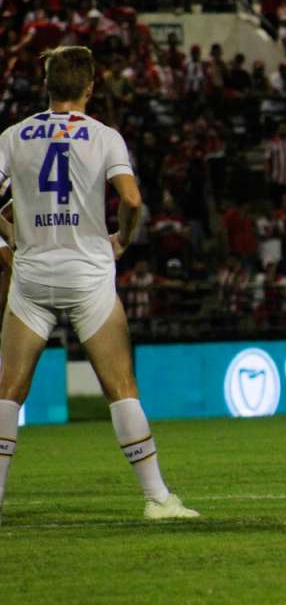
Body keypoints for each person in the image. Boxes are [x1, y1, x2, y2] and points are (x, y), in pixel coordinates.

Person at [0, 47, 198, 521]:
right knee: (121, 387)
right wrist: (123, 238)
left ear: (46, 84)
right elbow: (130, 196)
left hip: (32, 276)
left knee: (8, 391)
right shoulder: (105, 136)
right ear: (90, 87)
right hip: (88, 274)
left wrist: (12, 239)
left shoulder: (13, 135)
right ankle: (157, 499)